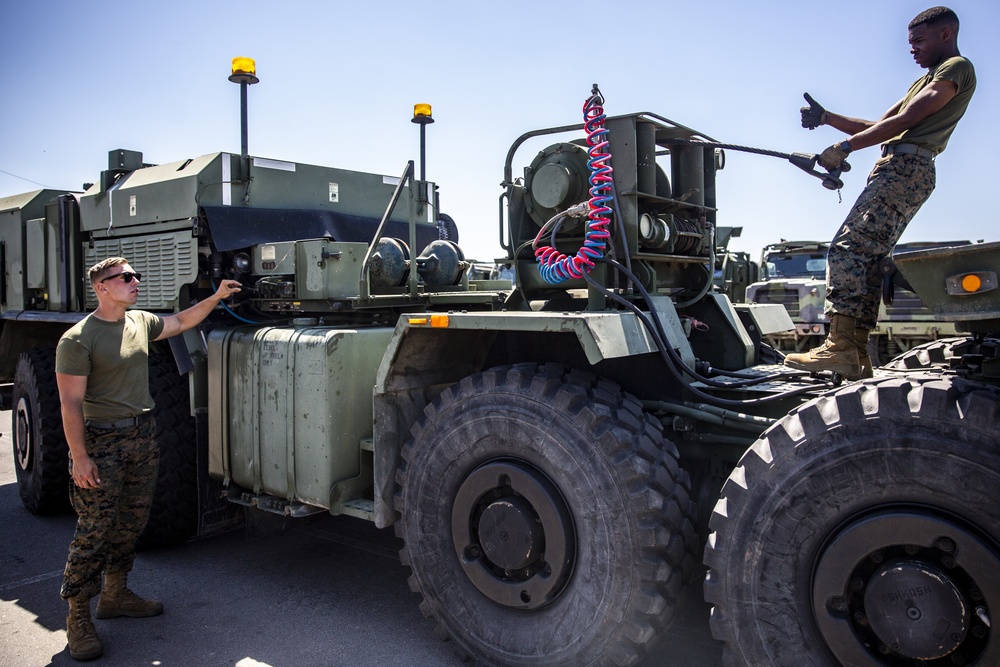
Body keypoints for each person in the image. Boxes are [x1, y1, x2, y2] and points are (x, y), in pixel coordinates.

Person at [55, 257, 241, 661]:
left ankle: (115, 593)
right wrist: (80, 457)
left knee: (131, 521)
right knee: (94, 530)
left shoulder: (139, 321)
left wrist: (216, 296)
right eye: (125, 277)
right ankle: (78, 617)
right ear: (102, 287)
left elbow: (181, 322)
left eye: (135, 275)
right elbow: (69, 403)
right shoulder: (77, 339)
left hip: (142, 436)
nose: (135, 281)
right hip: (102, 442)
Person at [784, 6, 975, 380]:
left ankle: (840, 348)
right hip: (901, 167)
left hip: (906, 168)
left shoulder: (955, 68)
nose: (912, 50)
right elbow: (883, 125)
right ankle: (854, 352)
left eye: (919, 41)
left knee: (847, 248)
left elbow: (905, 121)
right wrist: (827, 119)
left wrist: (845, 147)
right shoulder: (926, 80)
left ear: (946, 35)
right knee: (867, 258)